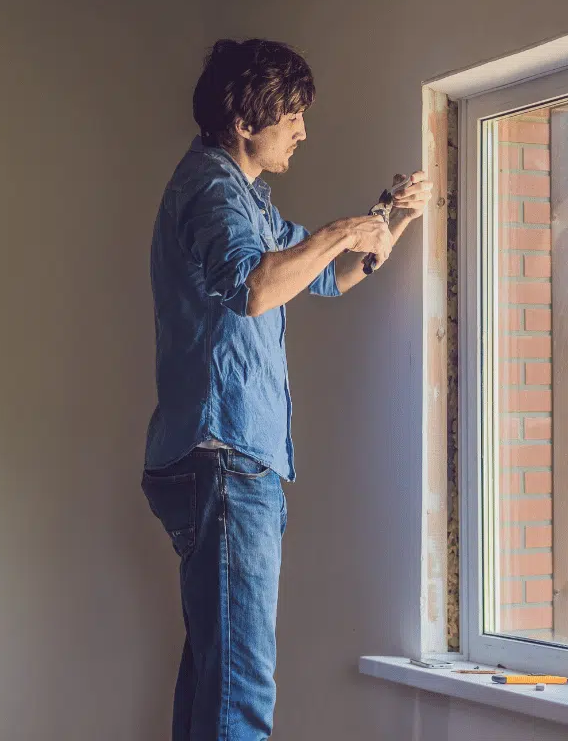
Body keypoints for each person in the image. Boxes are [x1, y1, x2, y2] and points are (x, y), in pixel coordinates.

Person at [139, 38, 430, 740]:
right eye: (292, 113)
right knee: (240, 694)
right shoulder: (211, 187)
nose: (302, 128)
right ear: (246, 119)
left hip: (225, 458)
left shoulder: (246, 199)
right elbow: (253, 286)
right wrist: (338, 230)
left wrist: (387, 218)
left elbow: (329, 274)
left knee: (215, 681)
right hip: (226, 458)